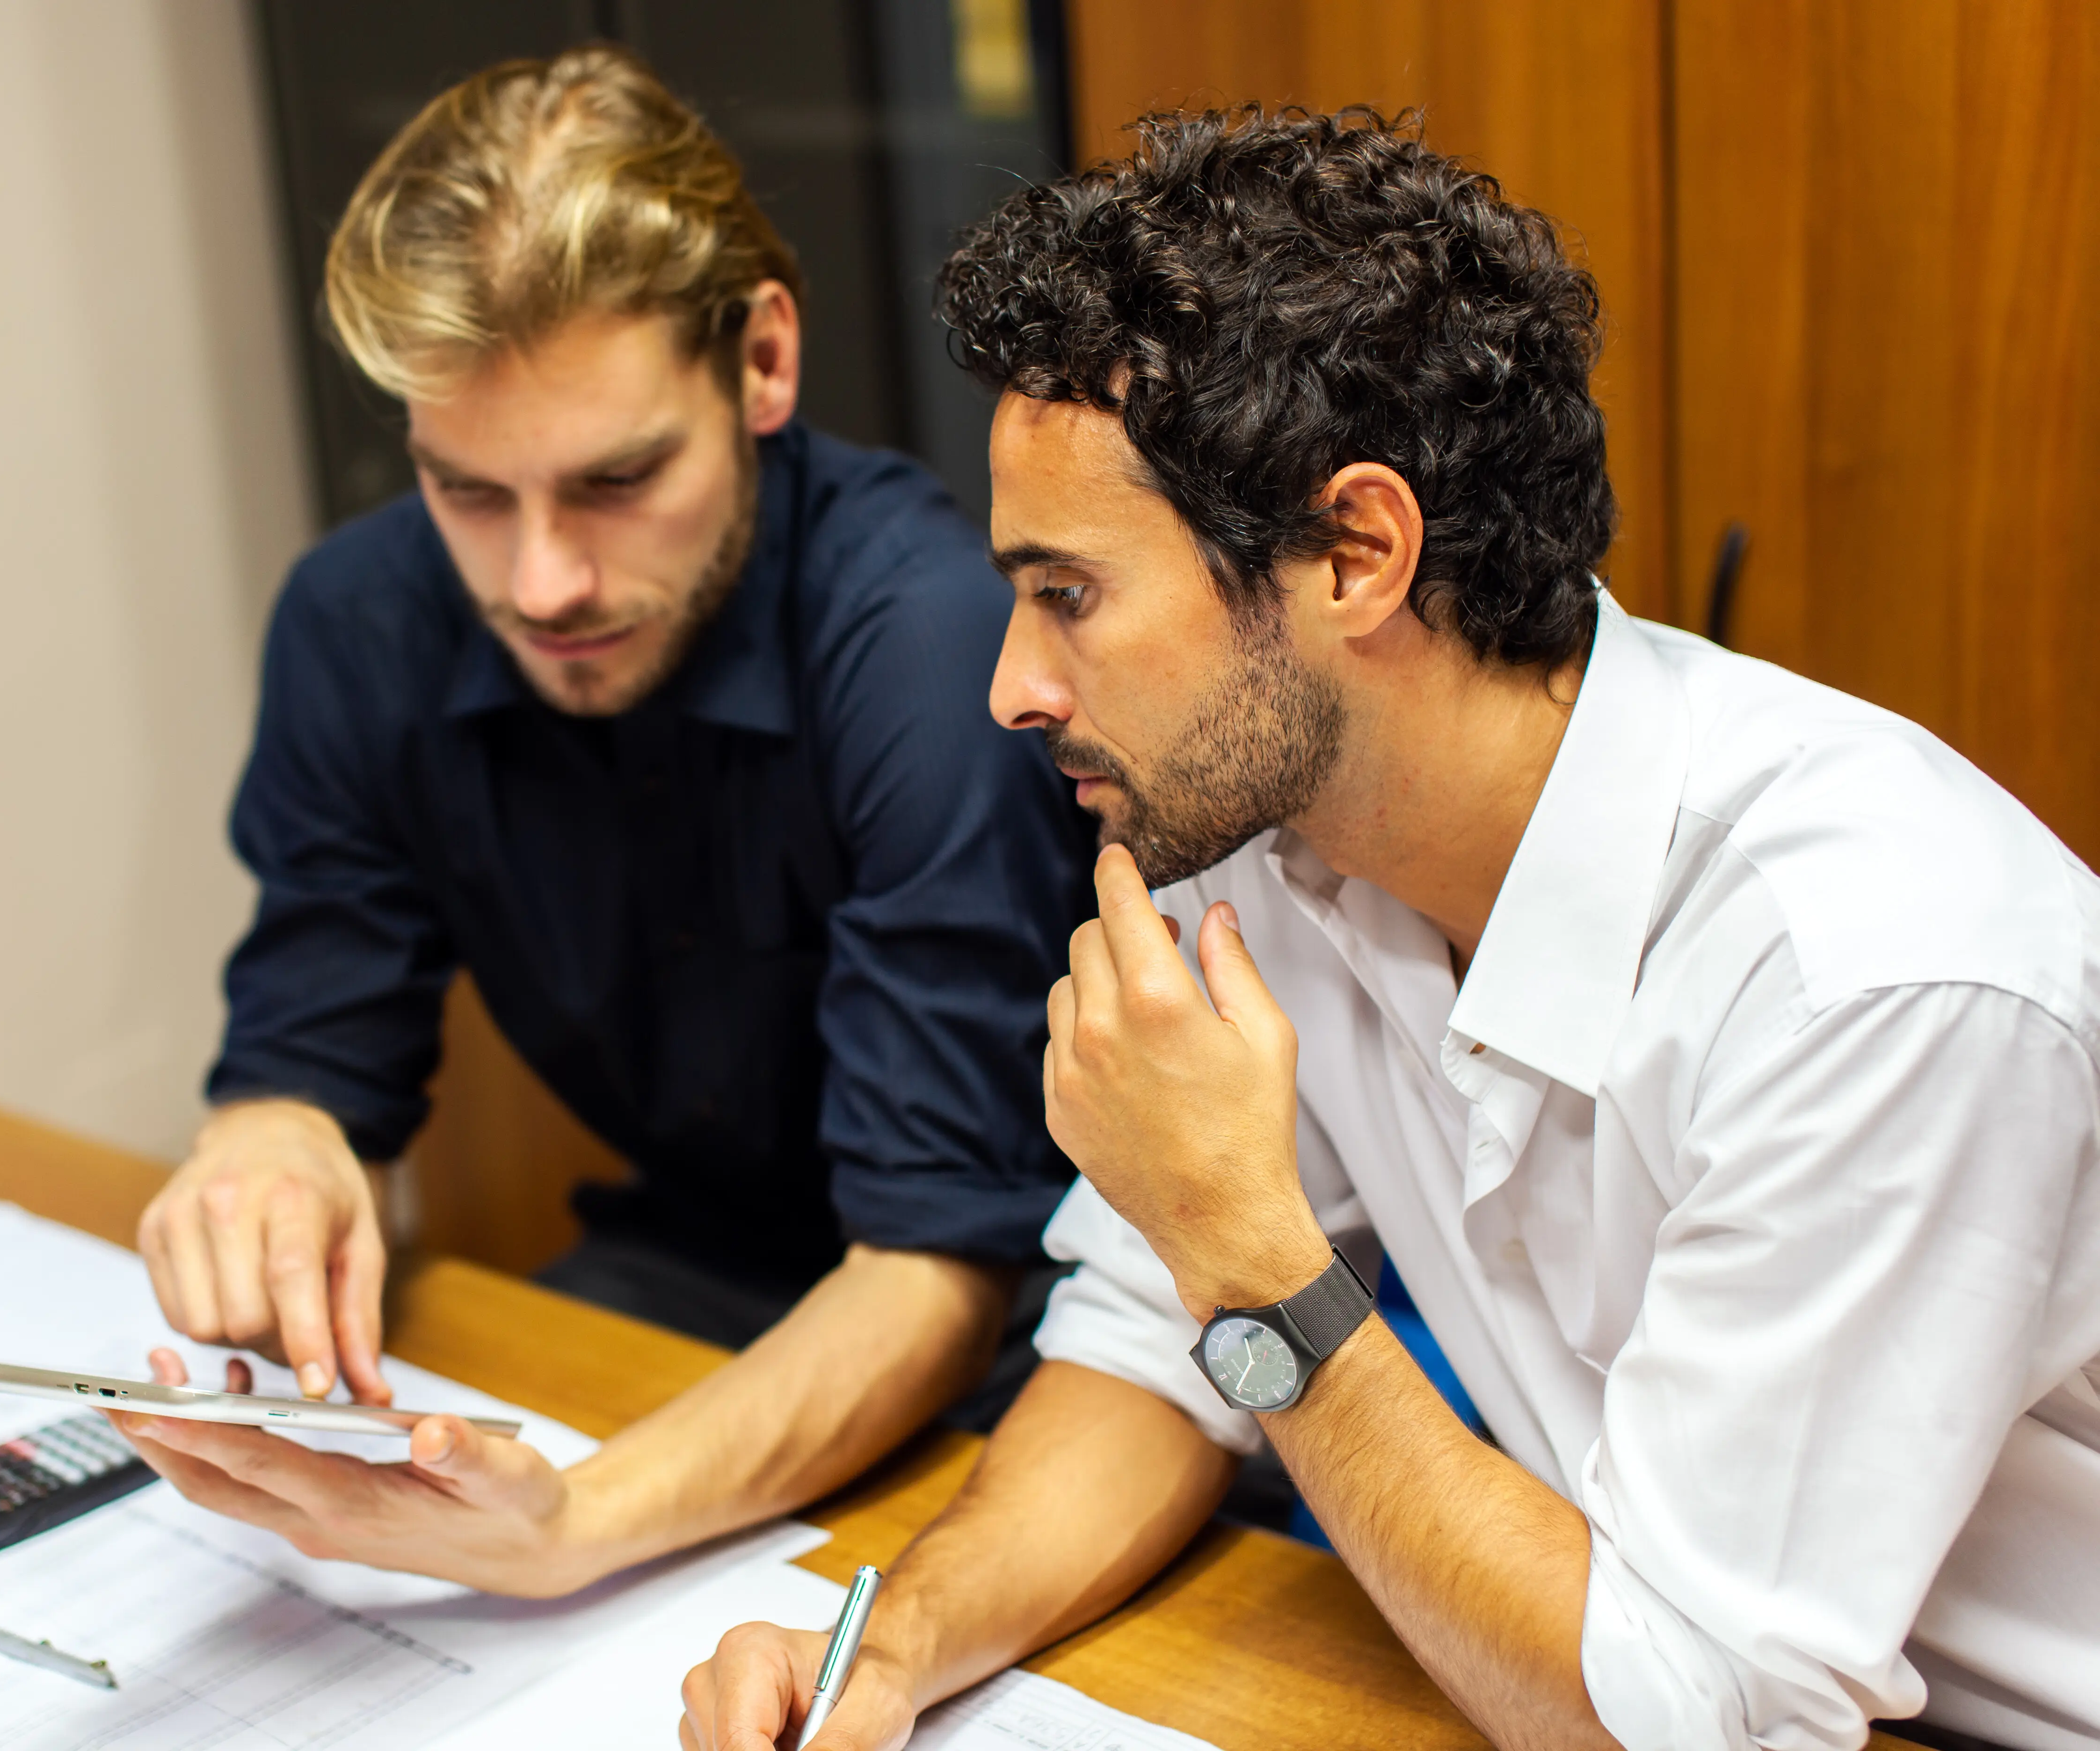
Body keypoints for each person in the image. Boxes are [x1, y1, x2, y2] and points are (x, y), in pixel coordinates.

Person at [683, 107, 2100, 1751]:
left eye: (1068, 594)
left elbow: (1689, 1720)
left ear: (1357, 554)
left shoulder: (1871, 974)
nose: (1013, 688)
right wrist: (899, 1650)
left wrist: (1247, 1254)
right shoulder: (1259, 831)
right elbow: (1156, 1351)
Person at [107, 45, 1096, 1600]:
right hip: (674, 1283)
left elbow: (941, 1271)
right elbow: (316, 1044)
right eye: (470, 494)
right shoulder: (360, 622)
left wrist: (571, 1528)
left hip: (1037, 1345)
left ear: (763, 362)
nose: (543, 584)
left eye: (617, 479)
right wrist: (274, 1145)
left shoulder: (929, 649)